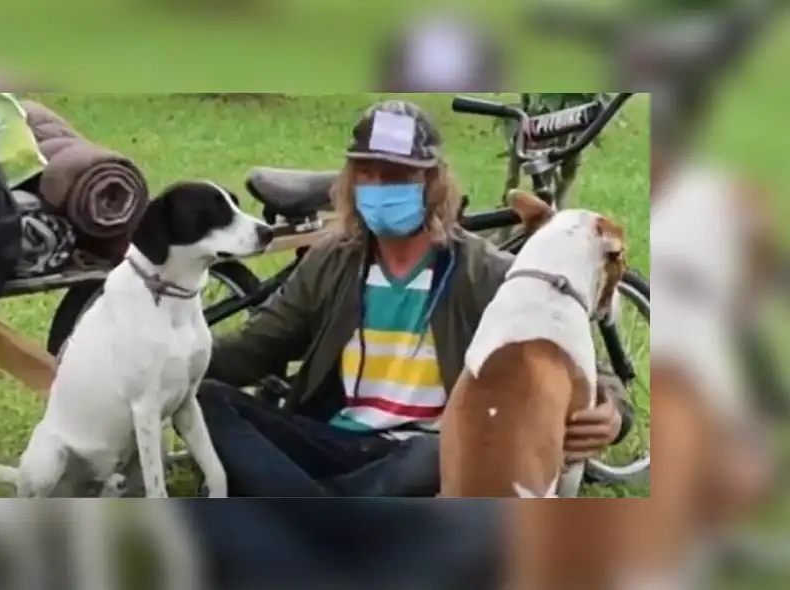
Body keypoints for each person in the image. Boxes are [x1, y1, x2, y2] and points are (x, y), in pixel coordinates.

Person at [198, 99, 633, 497]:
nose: (380, 186)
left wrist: (614, 411)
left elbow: (581, 368)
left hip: (420, 452)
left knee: (431, 456)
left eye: (398, 176)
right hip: (333, 439)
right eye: (368, 174)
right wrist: (167, 359)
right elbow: (256, 348)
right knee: (211, 399)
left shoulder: (485, 271)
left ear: (432, 183)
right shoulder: (331, 261)